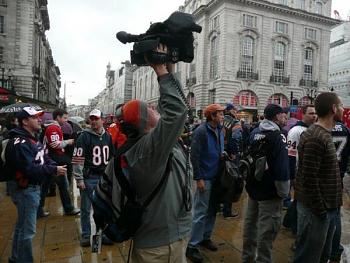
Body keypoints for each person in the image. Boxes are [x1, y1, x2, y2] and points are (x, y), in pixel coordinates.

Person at [104, 44, 192, 262]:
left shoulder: (149, 143)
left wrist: (170, 67)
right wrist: (160, 70)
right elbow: (176, 112)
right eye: (151, 109)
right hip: (161, 248)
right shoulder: (148, 150)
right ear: (145, 121)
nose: (156, 109)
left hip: (167, 239)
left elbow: (174, 109)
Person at [5, 106, 66, 263]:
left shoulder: (33, 138)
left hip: (31, 188)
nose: (40, 119)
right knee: (28, 231)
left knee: (21, 227)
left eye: (39, 116)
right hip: (26, 189)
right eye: (35, 117)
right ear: (25, 121)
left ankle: (15, 258)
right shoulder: (20, 142)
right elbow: (30, 169)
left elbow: (44, 156)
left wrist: (53, 165)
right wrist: (53, 169)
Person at [293, 92, 343, 263]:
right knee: (308, 257)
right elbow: (308, 178)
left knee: (322, 256)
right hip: (316, 211)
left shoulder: (324, 133)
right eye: (341, 105)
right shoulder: (316, 136)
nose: (343, 109)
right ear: (334, 109)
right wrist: (321, 210)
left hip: (327, 208)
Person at [242, 104, 290, 263]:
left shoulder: (255, 132)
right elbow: (282, 167)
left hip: (253, 188)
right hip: (270, 192)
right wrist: (284, 192)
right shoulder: (278, 135)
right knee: (267, 231)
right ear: (277, 117)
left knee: (250, 226)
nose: (286, 118)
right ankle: (262, 260)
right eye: (284, 115)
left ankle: (247, 258)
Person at [186, 103, 225, 263]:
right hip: (205, 177)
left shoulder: (220, 130)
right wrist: (199, 178)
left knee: (212, 209)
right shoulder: (201, 131)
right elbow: (195, 156)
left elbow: (218, 149)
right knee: (201, 212)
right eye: (220, 114)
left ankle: (205, 237)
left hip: (217, 177)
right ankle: (192, 246)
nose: (223, 116)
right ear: (212, 116)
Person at [72, 109, 114, 247]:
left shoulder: (108, 136)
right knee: (85, 208)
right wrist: (79, 179)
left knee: (102, 208)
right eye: (92, 119)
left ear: (102, 120)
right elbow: (78, 158)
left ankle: (102, 234)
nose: (94, 121)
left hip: (104, 179)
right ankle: (85, 234)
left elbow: (112, 158)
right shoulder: (84, 137)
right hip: (89, 178)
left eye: (96, 119)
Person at [38, 109, 79, 217]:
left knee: (45, 186)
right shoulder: (53, 128)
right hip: (54, 161)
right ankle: (68, 208)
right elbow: (55, 144)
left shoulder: (53, 127)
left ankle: (39, 210)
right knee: (63, 185)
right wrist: (68, 142)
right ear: (58, 117)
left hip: (49, 160)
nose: (66, 120)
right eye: (64, 118)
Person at [282, 104, 316, 233]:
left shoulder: (312, 129)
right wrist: (293, 175)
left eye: (315, 113)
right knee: (300, 200)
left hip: (306, 171)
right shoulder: (296, 131)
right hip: (298, 171)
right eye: (311, 113)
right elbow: (291, 154)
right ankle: (295, 226)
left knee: (299, 200)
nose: (314, 116)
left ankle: (289, 221)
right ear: (303, 114)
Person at [329, 121, 350, 263]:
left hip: (324, 171)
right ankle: (335, 249)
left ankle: (329, 248)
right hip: (339, 173)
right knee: (335, 211)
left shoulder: (322, 127)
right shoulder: (345, 129)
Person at [222, 102, 242, 219]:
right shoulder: (235, 122)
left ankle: (219, 205)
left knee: (221, 179)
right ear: (230, 110)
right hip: (231, 156)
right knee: (231, 181)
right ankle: (227, 210)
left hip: (220, 154)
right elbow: (236, 138)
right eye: (235, 110)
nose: (236, 112)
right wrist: (234, 153)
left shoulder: (220, 121)